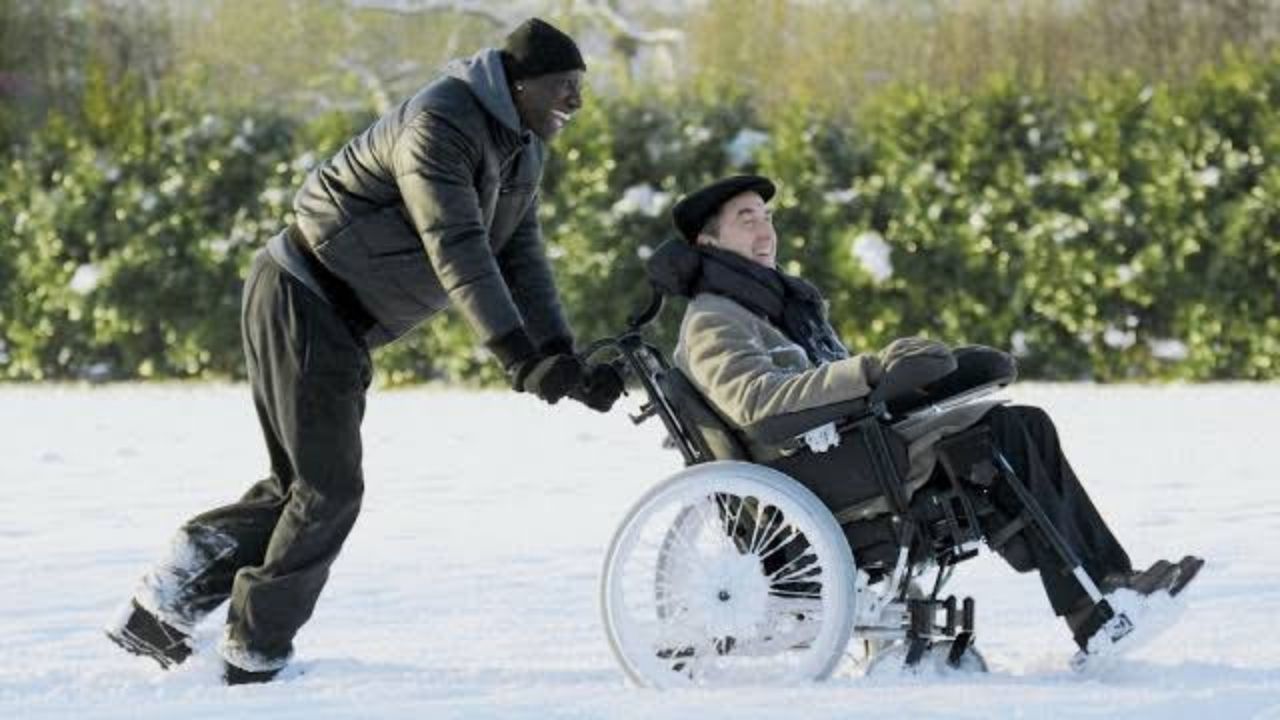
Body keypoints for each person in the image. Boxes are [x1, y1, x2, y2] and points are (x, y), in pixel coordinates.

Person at [105, 18, 623, 685]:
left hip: (339, 320)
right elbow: (457, 244)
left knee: (303, 489)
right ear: (517, 84)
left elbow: (521, 258)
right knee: (327, 490)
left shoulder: (522, 150)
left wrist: (561, 356)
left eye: (580, 86)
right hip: (302, 294)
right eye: (563, 85)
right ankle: (252, 654)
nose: (575, 101)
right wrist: (519, 357)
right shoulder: (441, 122)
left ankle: (165, 603)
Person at [654, 174, 1202, 661]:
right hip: (814, 478)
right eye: (746, 219)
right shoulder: (713, 319)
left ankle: (1109, 586)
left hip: (846, 454)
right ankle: (1093, 612)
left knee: (1025, 423)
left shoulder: (773, 309)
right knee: (1000, 437)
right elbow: (758, 403)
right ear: (708, 241)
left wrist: (934, 378)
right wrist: (871, 372)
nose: (765, 231)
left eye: (768, 217)